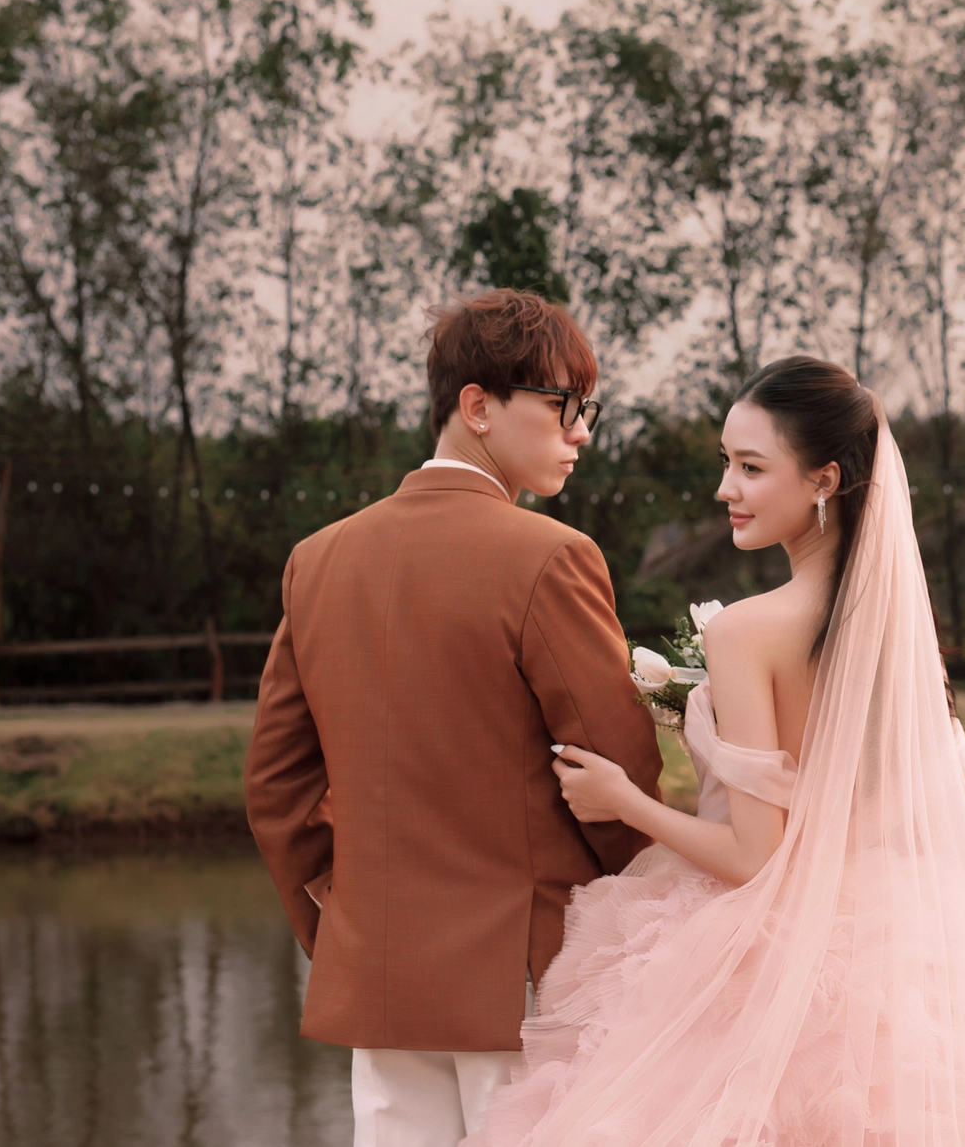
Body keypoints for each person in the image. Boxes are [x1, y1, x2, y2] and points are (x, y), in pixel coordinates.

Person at [469, 356, 965, 1147]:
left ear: (824, 480)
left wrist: (626, 802)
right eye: (726, 463)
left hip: (770, 963)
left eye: (750, 467)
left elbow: (755, 857)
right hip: (911, 955)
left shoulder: (744, 632)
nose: (725, 488)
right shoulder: (905, 637)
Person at [244, 289, 664, 1147]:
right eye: (564, 405)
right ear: (477, 406)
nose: (582, 431)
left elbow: (277, 789)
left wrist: (344, 930)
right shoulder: (551, 556)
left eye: (589, 408)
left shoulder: (318, 559)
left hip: (381, 981)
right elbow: (619, 774)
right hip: (530, 977)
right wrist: (640, 925)